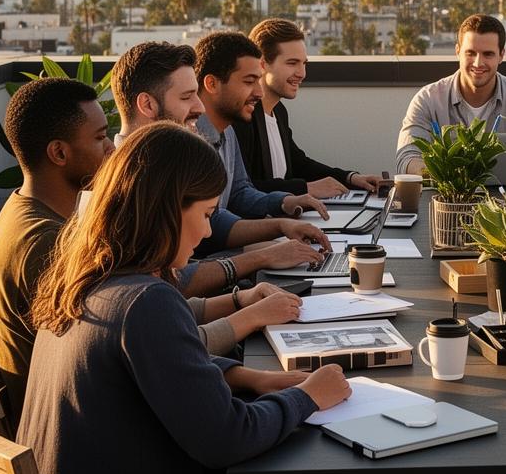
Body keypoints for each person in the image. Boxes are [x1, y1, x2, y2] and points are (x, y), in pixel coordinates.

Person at [17, 123, 349, 474]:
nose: (210, 229)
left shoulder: (87, 280)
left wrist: (246, 375)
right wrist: (308, 396)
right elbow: (226, 439)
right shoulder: (147, 301)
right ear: (168, 209)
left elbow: (146, 369)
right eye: (208, 213)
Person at [111, 40, 332, 295]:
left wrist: (279, 223)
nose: (200, 107)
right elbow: (170, 282)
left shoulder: (165, 162)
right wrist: (259, 256)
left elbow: (232, 200)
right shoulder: (130, 179)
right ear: (147, 105)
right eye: (186, 97)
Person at [0, 77, 114, 419]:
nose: (112, 149)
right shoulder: (45, 242)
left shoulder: (27, 210)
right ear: (58, 152)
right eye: (100, 139)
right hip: (73, 430)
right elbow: (123, 343)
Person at [194, 31, 331, 257]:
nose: (259, 92)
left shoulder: (227, 129)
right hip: (210, 262)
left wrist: (284, 201)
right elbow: (212, 224)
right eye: (249, 82)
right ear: (211, 84)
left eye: (259, 80)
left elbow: (239, 192)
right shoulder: (191, 141)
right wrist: (277, 228)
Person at [236, 18, 383, 198]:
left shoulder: (279, 111)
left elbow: (300, 164)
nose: (302, 73)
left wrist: (350, 178)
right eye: (292, 63)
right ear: (262, 64)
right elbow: (243, 189)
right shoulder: (242, 117)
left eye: (304, 63)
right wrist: (306, 189)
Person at [396, 13, 506, 175]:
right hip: (444, 199)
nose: (478, 63)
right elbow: (406, 159)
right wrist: (449, 175)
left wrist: (479, 173)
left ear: (501, 55)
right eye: (471, 53)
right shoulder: (427, 99)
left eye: (488, 54)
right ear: (457, 52)